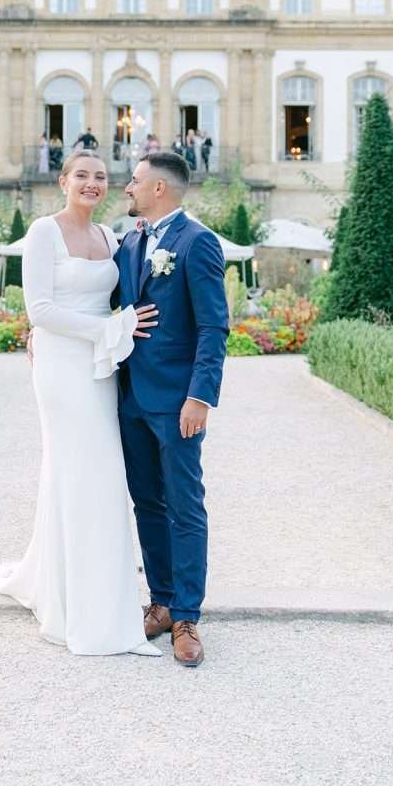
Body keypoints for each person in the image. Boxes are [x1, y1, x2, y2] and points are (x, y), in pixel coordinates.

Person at [0, 150, 162, 657]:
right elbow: (41, 309)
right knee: (79, 469)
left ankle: (93, 590)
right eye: (82, 175)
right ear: (63, 181)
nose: (92, 183)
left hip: (99, 368)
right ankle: (74, 605)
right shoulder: (42, 232)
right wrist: (106, 328)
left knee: (99, 473)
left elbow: (125, 295)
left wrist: (117, 328)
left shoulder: (111, 237)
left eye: (100, 177)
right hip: (60, 364)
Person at [115, 152, 229, 665]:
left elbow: (213, 326)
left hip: (179, 402)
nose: (127, 189)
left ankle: (187, 616)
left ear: (159, 188)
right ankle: (160, 601)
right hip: (130, 398)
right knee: (147, 504)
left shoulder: (197, 242)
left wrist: (200, 396)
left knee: (185, 505)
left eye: (134, 181)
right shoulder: (130, 240)